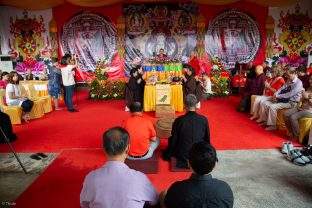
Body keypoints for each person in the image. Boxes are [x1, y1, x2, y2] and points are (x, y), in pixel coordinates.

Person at [80, 127, 159, 208]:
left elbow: (84, 203)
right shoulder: (139, 178)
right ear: (127, 148)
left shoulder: (91, 177)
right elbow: (155, 200)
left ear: (103, 148)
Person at [161, 142, 234, 208]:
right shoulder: (225, 189)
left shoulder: (177, 189)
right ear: (215, 164)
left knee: (163, 194)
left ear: (189, 163)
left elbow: (168, 203)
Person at [162, 94, 210, 168]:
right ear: (196, 104)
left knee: (171, 139)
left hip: (182, 155)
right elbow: (207, 138)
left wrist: (169, 152)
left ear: (184, 105)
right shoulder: (203, 119)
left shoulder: (179, 120)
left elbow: (174, 139)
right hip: (198, 154)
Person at [284, 74, 312, 141]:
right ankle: (291, 132)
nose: (311, 81)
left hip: (309, 111)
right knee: (286, 114)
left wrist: (307, 98)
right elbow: (302, 100)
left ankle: (297, 136)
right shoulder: (308, 88)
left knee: (293, 117)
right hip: (302, 108)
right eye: (310, 79)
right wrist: (302, 98)